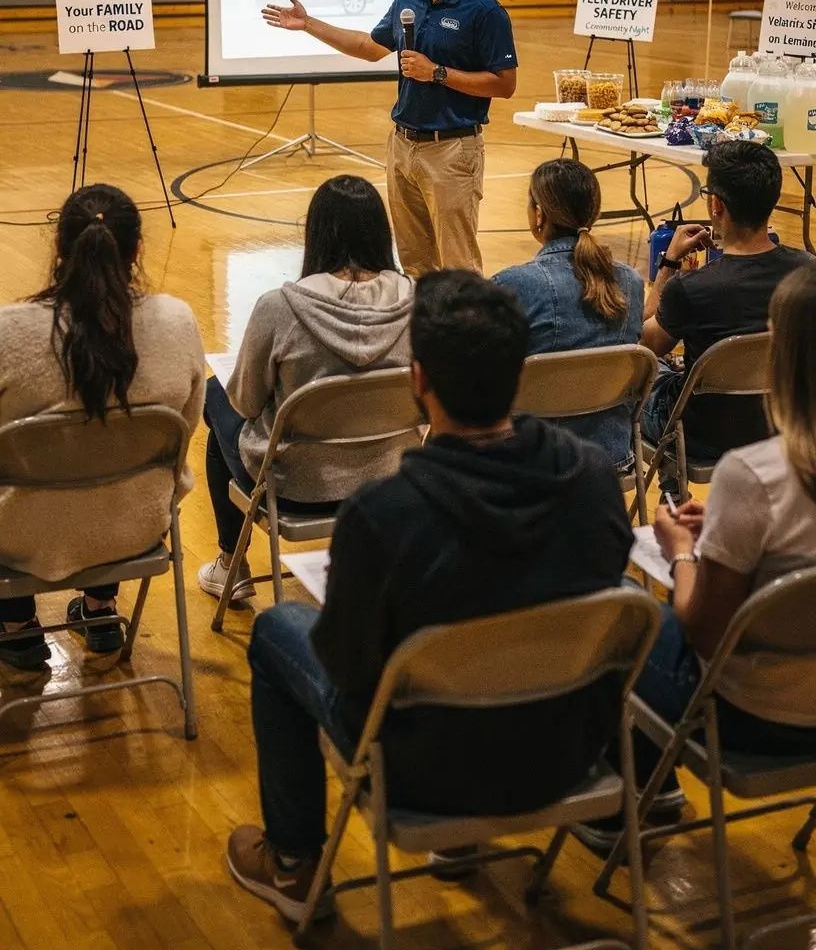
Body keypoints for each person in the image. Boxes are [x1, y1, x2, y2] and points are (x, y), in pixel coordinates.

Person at [225, 270, 634, 925]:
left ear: (419, 381)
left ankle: (295, 864)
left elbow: (347, 668)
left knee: (277, 630)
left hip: (428, 776)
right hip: (567, 754)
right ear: (519, 375)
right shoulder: (593, 480)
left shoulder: (385, 515)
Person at [577, 259, 816, 852]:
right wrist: (735, 530)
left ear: (779, 354)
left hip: (753, 718)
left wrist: (683, 553)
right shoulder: (757, 487)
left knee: (622, 610)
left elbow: (706, 634)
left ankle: (623, 809)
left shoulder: (754, 476)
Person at [0, 184, 205, 671]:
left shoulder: (10, 332)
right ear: (136, 250)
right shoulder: (176, 322)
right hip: (135, 524)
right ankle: (100, 610)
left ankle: (14, 627)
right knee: (113, 455)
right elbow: (186, 430)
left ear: (59, 248)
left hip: (19, 534)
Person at [262, 0, 517, 278]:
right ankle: (422, 334)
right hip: (402, 146)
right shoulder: (406, 1)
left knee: (458, 267)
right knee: (415, 263)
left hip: (452, 152)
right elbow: (368, 46)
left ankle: (467, 334)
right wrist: (309, 25)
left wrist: (438, 73)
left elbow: (505, 84)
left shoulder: (484, 11)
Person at [198, 175, 413, 603]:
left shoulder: (279, 307)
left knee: (214, 394)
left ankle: (230, 564)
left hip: (297, 484)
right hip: (392, 474)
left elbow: (245, 401)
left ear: (316, 234)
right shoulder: (419, 300)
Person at [640, 139, 810, 492]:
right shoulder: (808, 273)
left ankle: (673, 495)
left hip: (705, 437)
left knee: (638, 376)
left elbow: (645, 346)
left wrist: (669, 263)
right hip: (786, 423)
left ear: (716, 204)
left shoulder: (690, 288)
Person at [493, 159, 644, 469]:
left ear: (539, 214)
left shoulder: (513, 284)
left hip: (529, 461)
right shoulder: (630, 281)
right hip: (609, 457)